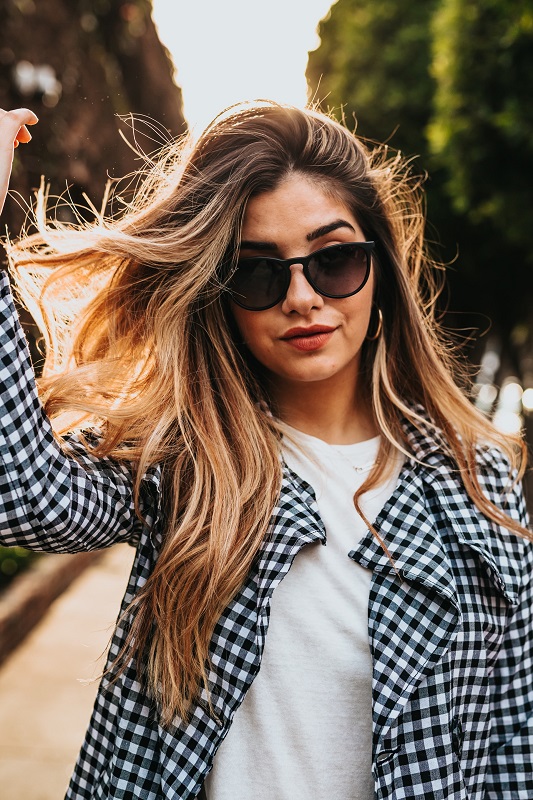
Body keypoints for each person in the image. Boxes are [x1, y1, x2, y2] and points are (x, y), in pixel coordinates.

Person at [0, 101, 532, 800]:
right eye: (257, 273)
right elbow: (24, 498)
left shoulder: (477, 479)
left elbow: (512, 749)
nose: (302, 297)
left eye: (334, 260)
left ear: (380, 267)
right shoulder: (186, 457)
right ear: (219, 297)